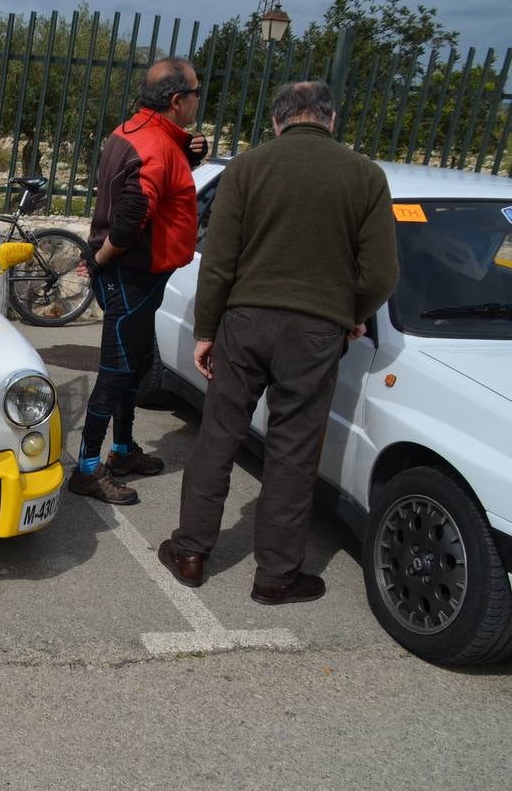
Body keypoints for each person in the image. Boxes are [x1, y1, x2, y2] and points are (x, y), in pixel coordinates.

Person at [158, 81, 398, 605]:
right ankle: (276, 575)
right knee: (293, 452)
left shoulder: (247, 168)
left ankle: (191, 552)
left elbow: (218, 262)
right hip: (316, 332)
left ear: (276, 122)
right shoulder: (366, 177)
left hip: (244, 322)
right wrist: (350, 314)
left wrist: (206, 331)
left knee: (219, 435)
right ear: (331, 121)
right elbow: (382, 272)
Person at [69, 56, 207, 505]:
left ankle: (123, 450)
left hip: (141, 276)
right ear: (176, 100)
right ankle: (88, 468)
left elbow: (151, 178)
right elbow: (130, 223)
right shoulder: (155, 146)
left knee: (132, 366)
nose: (197, 101)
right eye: (195, 93)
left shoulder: (131, 132)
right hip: (130, 274)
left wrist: (186, 152)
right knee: (115, 371)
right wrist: (100, 263)